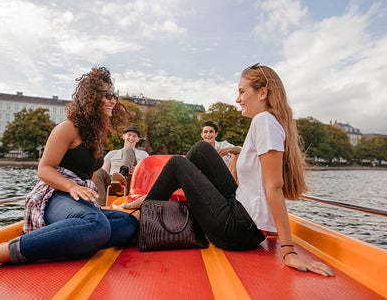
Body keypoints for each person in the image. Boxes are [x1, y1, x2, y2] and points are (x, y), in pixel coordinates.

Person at [0, 67, 139, 282]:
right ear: (91, 97)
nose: (113, 100)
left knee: (129, 223)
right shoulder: (68, 128)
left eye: (114, 95)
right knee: (97, 225)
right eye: (108, 95)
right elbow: (44, 169)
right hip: (55, 196)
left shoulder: (94, 135)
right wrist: (72, 186)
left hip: (78, 201)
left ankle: (67, 238)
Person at [143, 64, 334, 277]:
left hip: (237, 229)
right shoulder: (267, 122)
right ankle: (155, 200)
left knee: (177, 163)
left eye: (242, 91)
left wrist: (289, 252)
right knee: (201, 148)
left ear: (263, 93)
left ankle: (145, 213)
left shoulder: (264, 121)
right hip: (240, 211)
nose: (237, 99)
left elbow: (275, 187)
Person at [94, 125, 149, 205]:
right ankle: (100, 206)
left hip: (131, 180)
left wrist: (138, 170)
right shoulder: (112, 153)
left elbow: (148, 173)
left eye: (134, 136)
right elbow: (104, 170)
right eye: (129, 135)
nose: (131, 138)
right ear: (123, 136)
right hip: (113, 181)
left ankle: (123, 174)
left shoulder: (143, 154)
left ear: (137, 139)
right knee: (98, 171)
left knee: (128, 149)